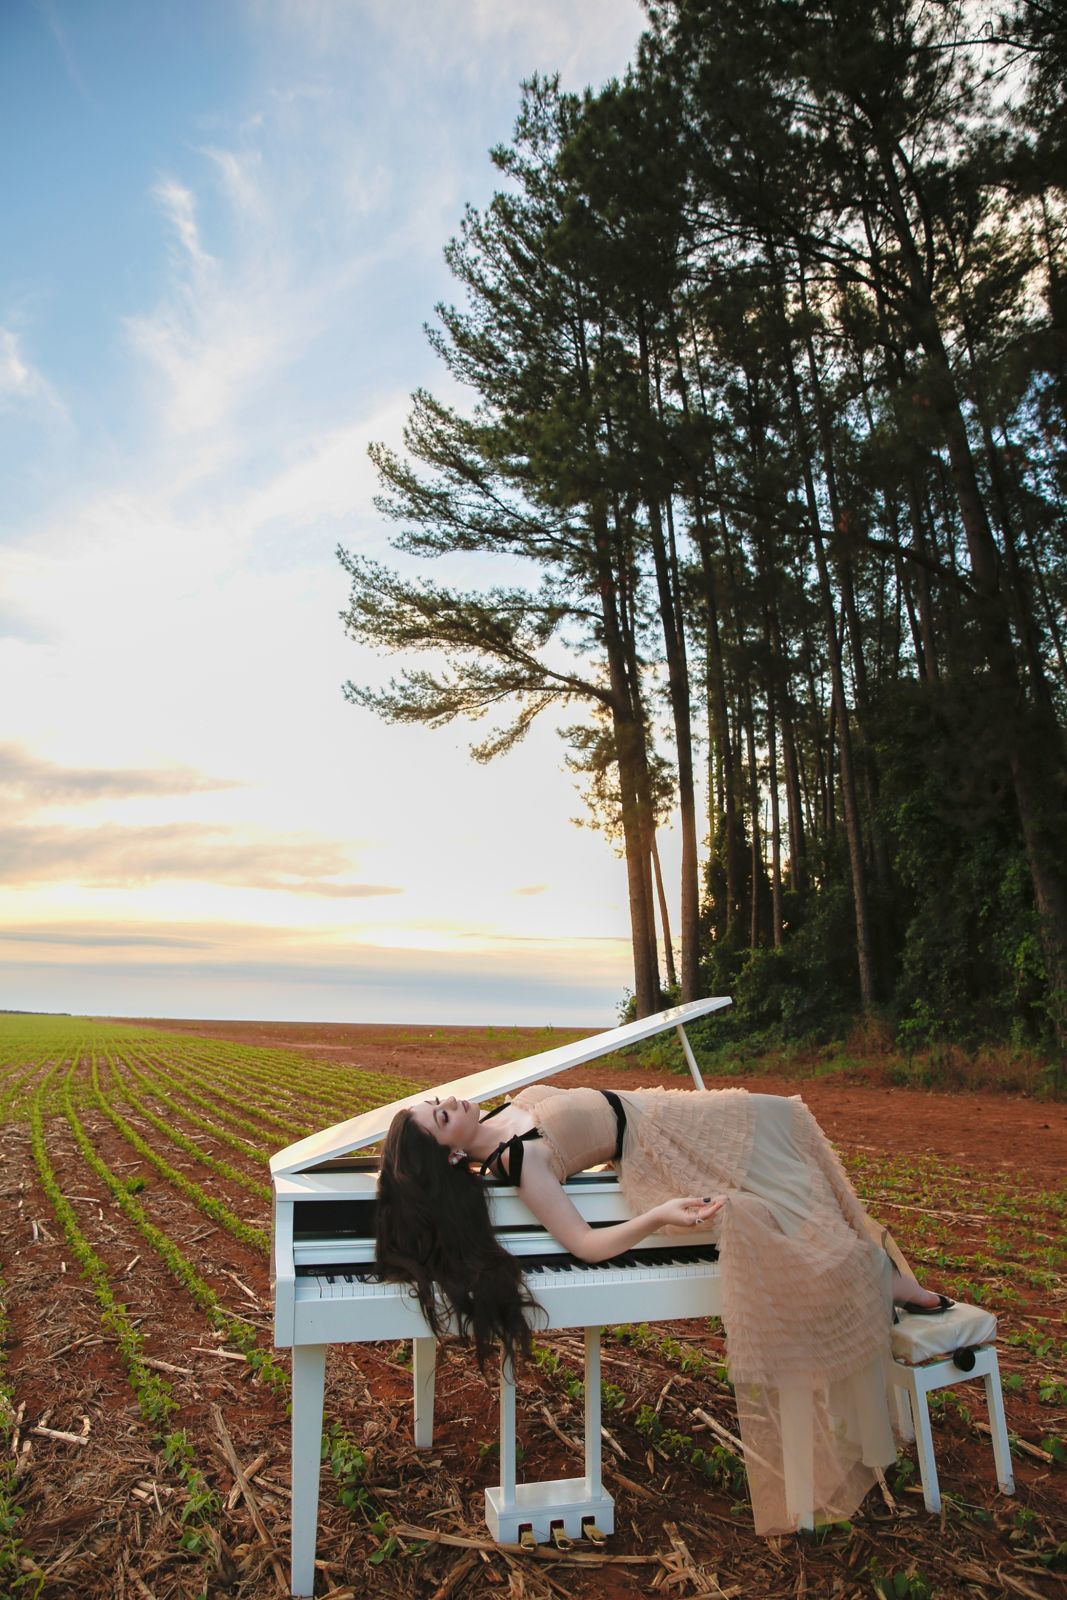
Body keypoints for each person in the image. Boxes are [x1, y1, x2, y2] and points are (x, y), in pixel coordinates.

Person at [376, 1081, 949, 1535]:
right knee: (797, 1199)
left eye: (438, 1102)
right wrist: (658, 1216)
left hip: (674, 1116)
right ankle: (881, 1280)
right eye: (442, 1117)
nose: (452, 1101)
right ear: (452, 1155)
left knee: (796, 1158)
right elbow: (584, 1243)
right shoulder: (519, 1161)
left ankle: (883, 1275)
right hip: (674, 1143)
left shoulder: (499, 1118)